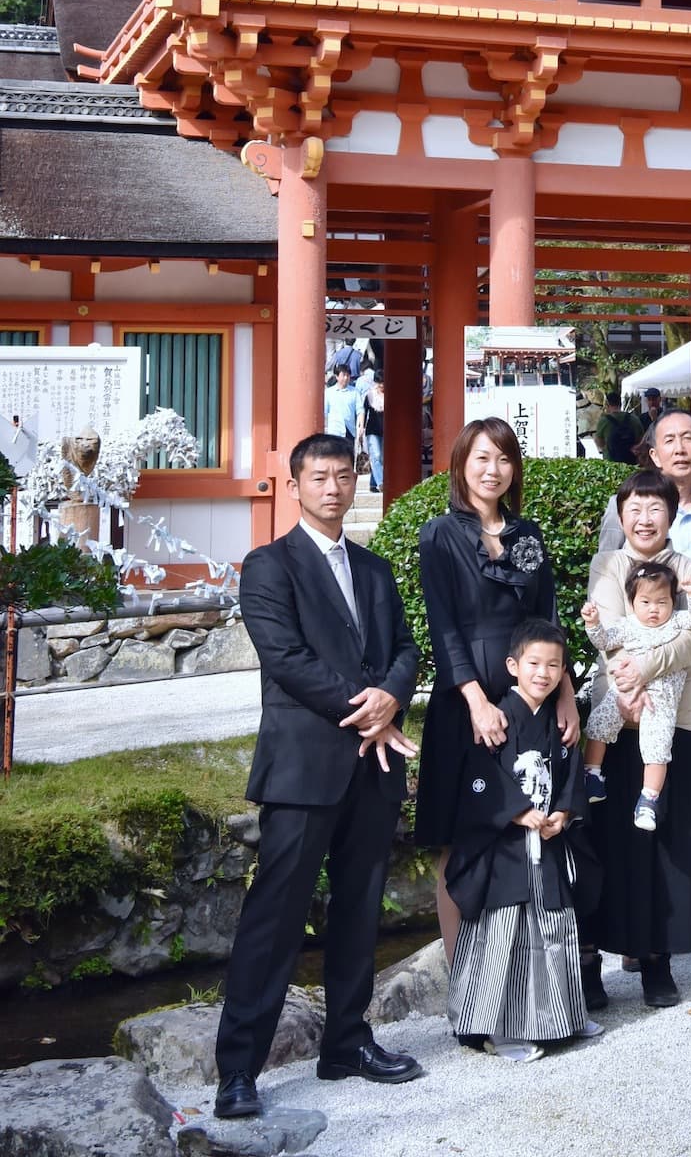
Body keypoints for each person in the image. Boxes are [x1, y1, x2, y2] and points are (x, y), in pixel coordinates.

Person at [212, 434, 423, 1121]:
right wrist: (370, 711)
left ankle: (347, 1042)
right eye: (319, 477)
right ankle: (238, 1070)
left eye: (343, 476)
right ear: (296, 485)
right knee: (274, 919)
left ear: (355, 482)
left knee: (360, 908)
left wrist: (392, 695)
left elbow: (404, 649)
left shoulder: (375, 568)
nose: (333, 488)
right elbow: (285, 658)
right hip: (304, 766)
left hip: (372, 767)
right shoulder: (269, 565)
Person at [415, 418, 579, 960]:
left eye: (504, 459)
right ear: (462, 464)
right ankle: (463, 976)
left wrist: (565, 692)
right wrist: (476, 700)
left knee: (530, 828)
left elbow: (547, 618)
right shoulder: (440, 534)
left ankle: (523, 975)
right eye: (482, 458)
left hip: (530, 698)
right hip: (466, 700)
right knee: (463, 836)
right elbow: (443, 625)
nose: (493, 470)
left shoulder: (526, 534)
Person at [597, 409, 691, 959]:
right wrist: (626, 672)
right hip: (639, 665)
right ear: (653, 452)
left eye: (689, 438)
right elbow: (610, 592)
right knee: (647, 785)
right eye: (669, 440)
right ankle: (645, 924)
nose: (680, 448)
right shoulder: (627, 509)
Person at [582, 470, 691, 1009]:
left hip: (672, 718)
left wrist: (642, 671)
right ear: (621, 514)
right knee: (605, 843)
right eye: (634, 508)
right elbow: (610, 632)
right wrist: (626, 685)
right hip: (615, 716)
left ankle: (657, 960)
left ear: (672, 514)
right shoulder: (607, 565)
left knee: (664, 844)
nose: (644, 518)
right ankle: (590, 963)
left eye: (655, 508)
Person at [445, 620, 599, 1063]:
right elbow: (479, 778)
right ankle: (494, 1028)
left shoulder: (558, 721)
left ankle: (562, 1018)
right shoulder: (497, 717)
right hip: (506, 849)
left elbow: (571, 776)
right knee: (503, 935)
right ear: (513, 666)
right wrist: (515, 811)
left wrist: (564, 813)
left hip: (547, 843)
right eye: (533, 663)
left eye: (553, 665)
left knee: (554, 927)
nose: (543, 673)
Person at [581, 559, 691, 829]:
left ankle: (649, 799)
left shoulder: (676, 622)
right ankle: (592, 774)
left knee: (657, 748)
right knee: (598, 724)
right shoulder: (628, 625)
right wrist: (593, 623)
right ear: (632, 602)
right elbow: (603, 641)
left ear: (672, 602)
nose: (654, 609)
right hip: (624, 691)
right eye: (645, 602)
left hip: (660, 701)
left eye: (662, 602)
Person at [594, 392, 644, 465]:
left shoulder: (604, 421)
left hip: (611, 463)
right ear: (620, 403)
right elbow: (641, 439)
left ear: (607, 404)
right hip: (631, 462)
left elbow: (599, 442)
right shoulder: (634, 419)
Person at [358, 371, 385, 492]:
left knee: (381, 458)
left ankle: (373, 484)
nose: (381, 385)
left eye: (383, 382)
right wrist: (361, 427)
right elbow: (364, 411)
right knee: (377, 455)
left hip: (386, 430)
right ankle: (381, 482)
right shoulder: (370, 396)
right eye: (379, 383)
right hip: (372, 429)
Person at [323, 365, 359, 441]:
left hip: (350, 430)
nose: (346, 378)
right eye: (343, 375)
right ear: (337, 376)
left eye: (348, 375)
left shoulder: (355, 392)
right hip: (334, 431)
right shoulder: (329, 392)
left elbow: (360, 410)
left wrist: (360, 427)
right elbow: (324, 412)